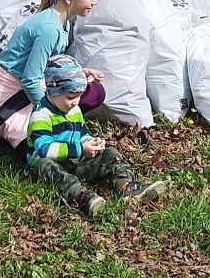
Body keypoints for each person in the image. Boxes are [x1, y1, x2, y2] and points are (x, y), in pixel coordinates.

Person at [0, 0, 107, 155]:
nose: (94, 1)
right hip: (12, 95)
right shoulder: (49, 29)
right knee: (36, 150)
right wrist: (51, 114)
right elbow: (30, 80)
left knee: (94, 92)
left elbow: (48, 65)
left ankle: (56, 127)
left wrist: (79, 73)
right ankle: (2, 127)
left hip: (32, 85)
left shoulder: (64, 23)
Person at [26, 55, 168, 216]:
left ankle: (125, 186)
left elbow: (81, 134)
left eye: (79, 96)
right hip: (50, 165)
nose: (76, 102)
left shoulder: (74, 110)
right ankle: (79, 196)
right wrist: (80, 148)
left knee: (110, 153)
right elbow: (45, 150)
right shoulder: (41, 116)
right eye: (70, 97)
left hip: (73, 160)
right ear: (52, 91)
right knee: (44, 164)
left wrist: (91, 143)